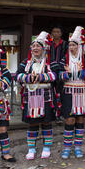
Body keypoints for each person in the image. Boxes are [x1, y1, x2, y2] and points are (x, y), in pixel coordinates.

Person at [16, 31, 57, 160]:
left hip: (46, 97)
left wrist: (40, 76)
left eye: (38, 46)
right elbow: (18, 76)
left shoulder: (50, 62)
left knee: (46, 123)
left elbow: (54, 76)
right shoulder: (25, 63)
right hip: (31, 98)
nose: (35, 48)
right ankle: (31, 149)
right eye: (33, 46)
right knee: (32, 124)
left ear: (43, 48)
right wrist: (28, 77)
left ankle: (46, 147)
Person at [59, 26, 85, 159]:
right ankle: (67, 147)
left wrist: (81, 72)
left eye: (74, 45)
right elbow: (58, 74)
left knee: (80, 118)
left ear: (79, 46)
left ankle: (78, 147)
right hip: (68, 92)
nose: (71, 47)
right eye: (70, 45)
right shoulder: (64, 59)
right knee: (69, 119)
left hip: (83, 91)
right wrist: (66, 74)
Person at [0, 37, 15, 162]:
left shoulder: (5, 72)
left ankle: (5, 153)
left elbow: (4, 85)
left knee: (2, 128)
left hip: (0, 101)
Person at [50, 25, 69, 121]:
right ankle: (53, 112)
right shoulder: (49, 44)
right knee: (52, 91)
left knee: (61, 92)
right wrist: (53, 66)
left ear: (61, 34)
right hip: (51, 72)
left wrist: (60, 66)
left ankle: (61, 112)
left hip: (62, 71)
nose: (56, 33)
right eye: (54, 31)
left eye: (58, 32)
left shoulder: (66, 44)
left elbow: (67, 57)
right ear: (52, 33)